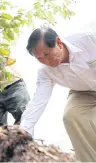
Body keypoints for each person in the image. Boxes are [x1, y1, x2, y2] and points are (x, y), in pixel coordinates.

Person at [20, 23, 96, 162]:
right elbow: (38, 101)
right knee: (71, 115)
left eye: (47, 54)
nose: (46, 61)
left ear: (59, 43)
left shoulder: (88, 39)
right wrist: (24, 130)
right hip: (82, 92)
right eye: (40, 58)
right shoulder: (45, 72)